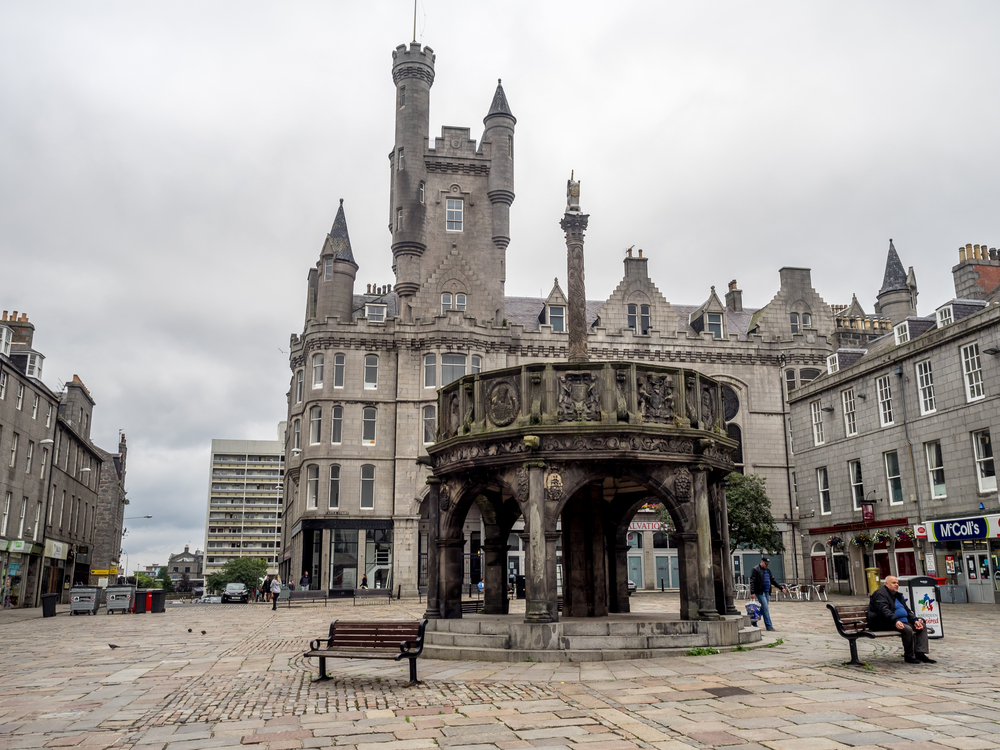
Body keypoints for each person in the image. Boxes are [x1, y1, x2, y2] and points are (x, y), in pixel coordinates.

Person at [868, 575, 936, 664]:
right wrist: (895, 621)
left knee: (922, 626)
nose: (896, 585)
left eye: (897, 583)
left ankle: (920, 653)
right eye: (893, 583)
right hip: (885, 622)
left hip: (902, 621)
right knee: (907, 629)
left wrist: (914, 620)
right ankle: (909, 656)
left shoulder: (897, 595)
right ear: (886, 584)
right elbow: (884, 610)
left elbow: (907, 610)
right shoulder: (880, 594)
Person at [748, 557, 788, 632]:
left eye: (768, 564)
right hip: (760, 592)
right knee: (765, 607)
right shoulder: (756, 569)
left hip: (766, 592)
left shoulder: (768, 571)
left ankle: (753, 621)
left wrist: (781, 588)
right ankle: (769, 626)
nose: (767, 565)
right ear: (762, 562)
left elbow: (773, 580)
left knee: (763, 609)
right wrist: (752, 592)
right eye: (766, 564)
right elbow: (752, 581)